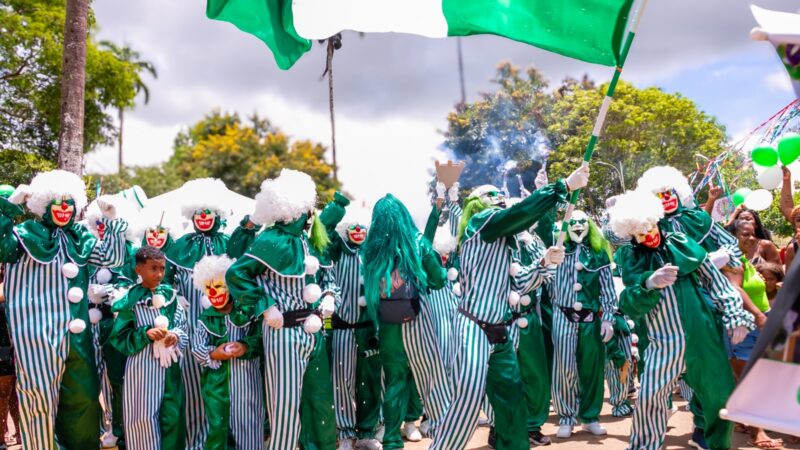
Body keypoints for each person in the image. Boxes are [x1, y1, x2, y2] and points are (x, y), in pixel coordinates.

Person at [430, 165, 588, 450]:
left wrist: (543, 264)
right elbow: (518, 214)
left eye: (499, 194)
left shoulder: (507, 241)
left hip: (502, 332)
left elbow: (519, 285)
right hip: (472, 328)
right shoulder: (482, 222)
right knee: (466, 399)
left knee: (513, 403)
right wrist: (562, 186)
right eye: (492, 194)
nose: (499, 196)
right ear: (478, 203)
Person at [609, 189, 754, 450]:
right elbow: (628, 303)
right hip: (662, 341)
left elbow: (716, 281)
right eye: (639, 232)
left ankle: (715, 443)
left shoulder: (681, 242)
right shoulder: (631, 257)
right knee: (650, 398)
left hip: (702, 334)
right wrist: (649, 283)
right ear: (631, 234)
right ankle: (644, 446)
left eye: (649, 226)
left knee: (719, 395)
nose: (648, 235)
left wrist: (735, 314)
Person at [0, 170, 128, 450]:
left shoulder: (80, 236)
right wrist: (7, 208)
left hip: (79, 335)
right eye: (56, 202)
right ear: (44, 205)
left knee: (83, 396)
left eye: (69, 202)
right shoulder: (25, 233)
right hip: (38, 334)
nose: (63, 208)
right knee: (40, 398)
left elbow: (114, 258)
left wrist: (112, 219)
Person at [226, 169, 338, 450]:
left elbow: (320, 279)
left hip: (313, 332)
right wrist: (265, 307)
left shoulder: (306, 241)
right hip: (283, 331)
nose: (311, 213)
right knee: (285, 405)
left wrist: (327, 296)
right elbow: (236, 274)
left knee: (320, 399)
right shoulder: (269, 239)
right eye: (307, 208)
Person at [166, 178, 259, 449]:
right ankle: (197, 442)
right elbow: (165, 281)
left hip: (226, 323)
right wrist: (176, 300)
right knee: (194, 384)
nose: (203, 217)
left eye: (209, 213)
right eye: (199, 213)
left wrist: (249, 224)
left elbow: (245, 251)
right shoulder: (179, 246)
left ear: (218, 215)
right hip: (191, 324)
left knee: (230, 390)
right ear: (191, 215)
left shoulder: (229, 242)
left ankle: (235, 441)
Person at [361, 194, 451, 450]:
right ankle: (443, 432)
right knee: (431, 379)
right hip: (419, 322)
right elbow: (438, 280)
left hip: (388, 324)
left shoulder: (372, 250)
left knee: (394, 381)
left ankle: (391, 439)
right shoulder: (417, 244)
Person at [320, 194, 383, 450]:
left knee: (370, 382)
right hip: (343, 328)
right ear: (346, 230)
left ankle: (367, 431)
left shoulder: (372, 253)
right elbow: (323, 229)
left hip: (369, 330)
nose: (358, 232)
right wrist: (338, 206)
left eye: (362, 228)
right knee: (342, 381)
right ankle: (345, 432)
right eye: (353, 228)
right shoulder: (336, 248)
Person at [110, 246, 189, 450]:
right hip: (142, 368)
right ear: (138, 270)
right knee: (142, 416)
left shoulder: (171, 297)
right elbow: (119, 337)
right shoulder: (130, 301)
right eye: (153, 268)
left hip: (170, 367)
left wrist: (175, 335)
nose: (160, 274)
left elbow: (183, 325)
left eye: (162, 268)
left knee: (172, 415)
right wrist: (144, 334)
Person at [550, 210, 617, 439]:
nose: (578, 226)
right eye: (573, 222)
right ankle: (567, 417)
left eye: (582, 222)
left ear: (589, 225)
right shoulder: (558, 251)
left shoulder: (598, 254)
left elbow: (608, 287)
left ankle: (590, 417)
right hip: (562, 315)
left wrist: (608, 317)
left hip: (590, 318)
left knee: (592, 368)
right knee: (564, 367)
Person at [191, 255, 265, 450]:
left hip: (248, 382)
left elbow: (259, 338)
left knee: (248, 423)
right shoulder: (205, 319)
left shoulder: (247, 311)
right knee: (218, 427)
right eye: (209, 288)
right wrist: (215, 353)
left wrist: (244, 346)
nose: (214, 292)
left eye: (219, 286)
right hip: (216, 386)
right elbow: (197, 347)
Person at [721, 220, 782, 449]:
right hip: (743, 327)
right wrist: (757, 314)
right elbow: (734, 289)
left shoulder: (744, 260)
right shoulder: (731, 261)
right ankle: (758, 433)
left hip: (758, 325)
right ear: (732, 236)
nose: (750, 238)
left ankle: (744, 421)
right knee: (749, 379)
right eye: (744, 234)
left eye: (753, 234)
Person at [0, 267, 20, 450]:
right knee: (6, 393)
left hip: (10, 348)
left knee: (12, 393)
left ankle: (19, 433)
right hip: (5, 348)